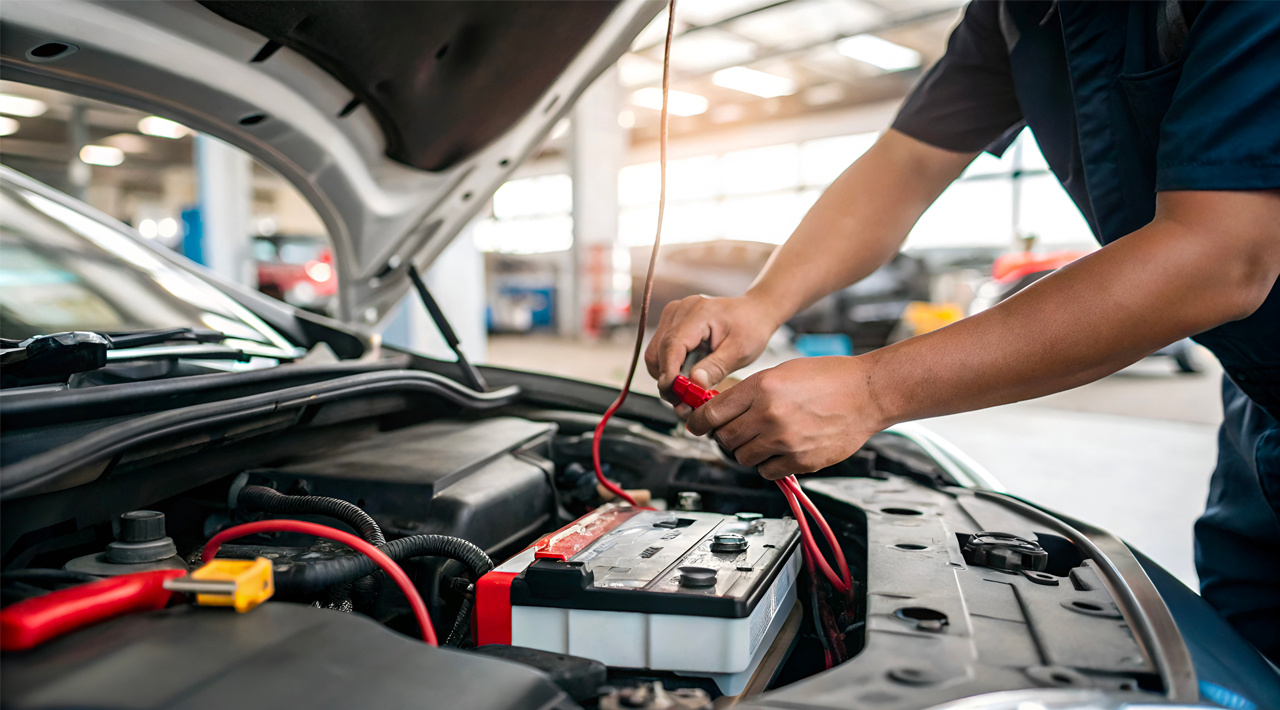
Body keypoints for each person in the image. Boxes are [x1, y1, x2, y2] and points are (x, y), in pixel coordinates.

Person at [644, 0, 1280, 662]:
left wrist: (873, 390)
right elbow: (908, 163)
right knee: (1251, 641)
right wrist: (762, 303)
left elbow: (1223, 255)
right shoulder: (1016, 14)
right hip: (1254, 398)